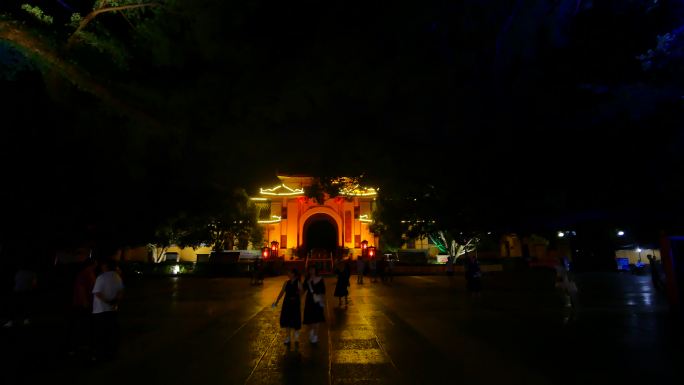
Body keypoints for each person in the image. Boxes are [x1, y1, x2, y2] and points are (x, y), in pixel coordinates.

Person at [91, 259, 124, 361]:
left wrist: (107, 301)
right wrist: (115, 302)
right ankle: (112, 352)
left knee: (100, 333)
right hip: (112, 310)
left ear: (106, 266)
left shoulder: (101, 277)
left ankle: (100, 354)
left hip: (100, 310)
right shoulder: (117, 277)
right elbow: (120, 291)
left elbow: (97, 292)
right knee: (112, 332)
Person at [66, 259, 97, 355]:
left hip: (87, 302)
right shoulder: (84, 274)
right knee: (80, 323)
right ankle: (76, 345)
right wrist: (85, 301)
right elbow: (81, 288)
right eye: (95, 264)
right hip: (82, 304)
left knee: (85, 324)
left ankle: (82, 343)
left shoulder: (90, 273)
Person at [272, 269, 303, 347]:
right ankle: (288, 337)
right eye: (288, 272)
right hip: (287, 303)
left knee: (295, 319)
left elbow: (301, 293)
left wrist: (298, 299)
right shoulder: (286, 282)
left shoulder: (298, 283)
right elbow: (282, 292)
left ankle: (296, 337)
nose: (288, 274)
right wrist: (277, 301)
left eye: (289, 272)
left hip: (295, 303)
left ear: (293, 274)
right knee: (287, 320)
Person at [3, 263, 37, 328]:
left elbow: (15, 281)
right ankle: (25, 320)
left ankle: (11, 321)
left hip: (17, 291)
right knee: (25, 307)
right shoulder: (32, 273)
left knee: (15, 307)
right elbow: (34, 284)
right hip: (26, 292)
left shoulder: (19, 272)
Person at [303, 266, 325, 344]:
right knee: (310, 318)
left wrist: (322, 300)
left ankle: (315, 336)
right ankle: (312, 331)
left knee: (317, 318)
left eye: (313, 269)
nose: (311, 271)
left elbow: (323, 291)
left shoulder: (320, 279)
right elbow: (303, 289)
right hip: (309, 300)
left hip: (317, 300)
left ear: (316, 270)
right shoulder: (307, 280)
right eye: (310, 270)